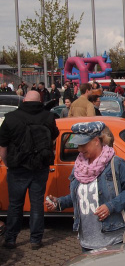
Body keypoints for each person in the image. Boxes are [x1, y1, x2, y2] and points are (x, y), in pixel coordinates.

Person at [45, 121, 125, 252]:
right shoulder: (79, 167)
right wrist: (59, 202)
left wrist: (110, 206)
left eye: (83, 144)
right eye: (78, 145)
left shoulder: (116, 163)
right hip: (87, 242)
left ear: (96, 140)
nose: (79, 149)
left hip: (113, 241)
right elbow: (80, 197)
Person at [0, 91, 59, 250]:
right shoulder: (48, 116)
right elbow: (54, 137)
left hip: (17, 167)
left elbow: (3, 145)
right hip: (40, 166)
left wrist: (7, 163)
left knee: (15, 204)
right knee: (37, 203)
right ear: (40, 100)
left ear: (24, 100)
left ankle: (11, 239)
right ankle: (35, 240)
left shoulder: (11, 117)